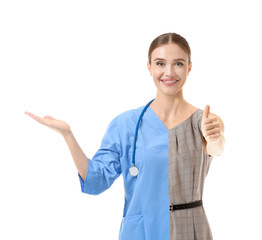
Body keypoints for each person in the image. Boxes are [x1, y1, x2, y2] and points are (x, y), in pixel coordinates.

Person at [25, 32, 225, 240]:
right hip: (141, 232)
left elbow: (216, 147)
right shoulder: (126, 125)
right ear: (149, 67)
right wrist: (67, 134)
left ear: (189, 67)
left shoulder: (203, 121)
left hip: (189, 230)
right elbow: (96, 180)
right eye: (160, 63)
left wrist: (215, 137)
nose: (169, 72)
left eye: (178, 64)